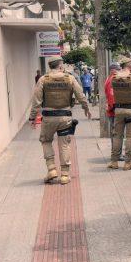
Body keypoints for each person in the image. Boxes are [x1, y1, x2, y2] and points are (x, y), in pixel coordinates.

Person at [29, 56, 91, 185]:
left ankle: (51, 169)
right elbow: (80, 95)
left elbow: (36, 101)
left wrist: (32, 117)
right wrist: (86, 108)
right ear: (61, 65)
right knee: (64, 144)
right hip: (65, 116)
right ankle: (64, 174)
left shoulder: (43, 80)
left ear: (50, 66)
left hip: (48, 117)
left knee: (46, 141)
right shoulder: (70, 78)